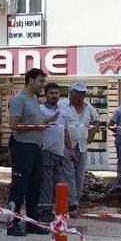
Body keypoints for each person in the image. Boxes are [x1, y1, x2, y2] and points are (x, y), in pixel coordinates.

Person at [7, 68, 53, 236]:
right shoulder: (19, 100)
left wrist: (46, 121)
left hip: (36, 148)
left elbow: (35, 122)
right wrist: (37, 126)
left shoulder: (33, 98)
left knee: (35, 187)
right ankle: (12, 224)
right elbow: (14, 125)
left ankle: (32, 223)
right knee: (19, 187)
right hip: (22, 148)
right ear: (31, 80)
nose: (43, 85)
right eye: (40, 81)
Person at [59, 82, 101, 212]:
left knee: (80, 175)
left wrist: (93, 133)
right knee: (69, 174)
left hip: (82, 145)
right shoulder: (61, 105)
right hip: (67, 144)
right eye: (78, 94)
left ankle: (74, 200)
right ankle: (72, 204)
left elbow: (97, 120)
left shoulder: (88, 107)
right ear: (72, 93)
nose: (80, 97)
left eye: (83, 94)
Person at [38, 83, 74, 222]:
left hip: (59, 153)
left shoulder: (62, 111)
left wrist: (70, 149)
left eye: (57, 93)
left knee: (56, 184)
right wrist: (49, 119)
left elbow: (64, 131)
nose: (54, 95)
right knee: (46, 184)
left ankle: (51, 209)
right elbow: (37, 126)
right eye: (51, 93)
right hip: (46, 151)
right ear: (46, 94)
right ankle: (43, 211)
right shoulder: (41, 110)